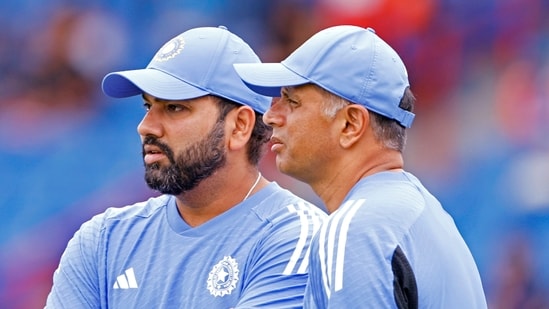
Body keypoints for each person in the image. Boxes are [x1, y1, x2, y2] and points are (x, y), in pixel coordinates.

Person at [45, 26, 327, 308]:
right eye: (148, 107)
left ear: (239, 126)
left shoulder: (298, 238)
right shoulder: (104, 240)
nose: (146, 127)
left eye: (174, 108)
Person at [233, 25, 487, 308]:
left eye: (292, 101)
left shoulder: (357, 229)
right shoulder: (421, 211)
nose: (270, 116)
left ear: (350, 124)